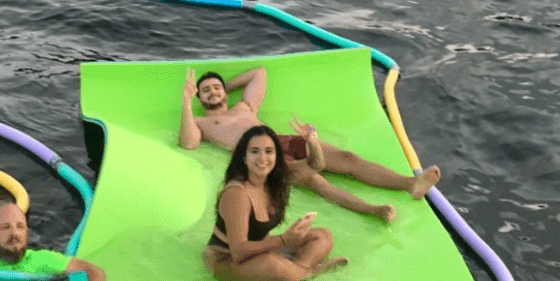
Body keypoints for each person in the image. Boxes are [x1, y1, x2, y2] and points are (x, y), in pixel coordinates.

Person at [179, 64, 440, 207]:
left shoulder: (244, 107)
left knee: (348, 159)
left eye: (216, 87)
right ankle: (374, 210)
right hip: (261, 157)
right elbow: (189, 143)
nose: (213, 92)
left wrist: (226, 85)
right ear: (200, 98)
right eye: (206, 91)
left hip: (283, 141)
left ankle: (409, 184)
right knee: (318, 182)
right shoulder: (202, 121)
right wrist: (186, 102)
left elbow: (259, 73)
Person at [204, 125, 347, 281]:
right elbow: (239, 252)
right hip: (227, 260)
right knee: (273, 265)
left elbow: (316, 165)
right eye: (254, 151)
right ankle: (305, 273)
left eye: (269, 152)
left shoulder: (274, 179)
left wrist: (312, 142)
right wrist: (283, 240)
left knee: (322, 236)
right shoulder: (237, 194)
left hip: (262, 249)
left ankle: (293, 275)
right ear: (243, 157)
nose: (262, 158)